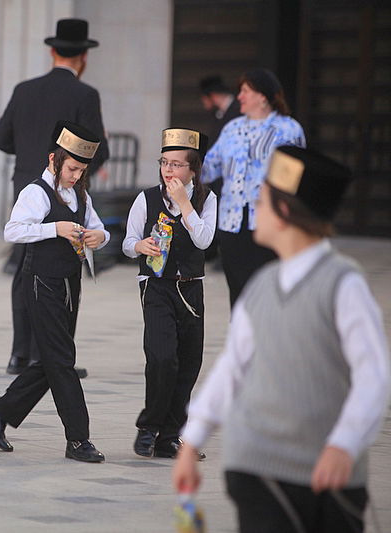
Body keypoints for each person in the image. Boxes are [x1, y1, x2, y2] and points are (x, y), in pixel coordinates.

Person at [173, 146, 390, 533]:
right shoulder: (262, 285)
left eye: (261, 200)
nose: (253, 207)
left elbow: (373, 376)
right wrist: (191, 442)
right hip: (256, 471)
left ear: (286, 212)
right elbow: (231, 370)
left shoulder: (344, 283)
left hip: (327, 476)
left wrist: (344, 443)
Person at [0, 121, 108, 463]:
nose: (76, 176)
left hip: (69, 283)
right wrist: (56, 228)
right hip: (40, 283)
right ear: (54, 160)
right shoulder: (36, 192)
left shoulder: (80, 193)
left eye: (81, 170)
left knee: (53, 358)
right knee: (63, 361)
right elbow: (13, 231)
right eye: (72, 169)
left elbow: (97, 227)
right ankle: (78, 439)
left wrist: (99, 237)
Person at [0, 18, 109, 376]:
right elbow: (95, 149)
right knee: (59, 269)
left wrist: (29, 156)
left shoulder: (25, 89)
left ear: (52, 51)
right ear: (83, 57)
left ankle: (19, 355)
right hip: (65, 189)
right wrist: (75, 171)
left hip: (27, 181)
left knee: (25, 265)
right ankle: (54, 357)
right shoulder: (85, 95)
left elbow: (0, 138)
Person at [122, 128, 216, 459]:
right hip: (156, 286)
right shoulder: (146, 198)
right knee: (162, 357)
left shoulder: (207, 199)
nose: (168, 170)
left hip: (190, 289)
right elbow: (127, 242)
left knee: (188, 363)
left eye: (177, 164)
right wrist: (139, 245)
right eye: (164, 162)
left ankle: (170, 436)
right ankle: (149, 427)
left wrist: (184, 205)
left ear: (193, 169)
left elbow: (204, 240)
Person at [201, 68, 305, 307]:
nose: (239, 97)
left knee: (266, 295)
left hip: (269, 224)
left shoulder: (289, 130)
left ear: (263, 96)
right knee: (237, 294)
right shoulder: (232, 129)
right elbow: (209, 167)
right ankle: (242, 342)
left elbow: (294, 181)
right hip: (231, 224)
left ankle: (266, 342)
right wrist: (181, 164)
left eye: (245, 91)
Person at [198, 75, 241, 147]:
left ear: (212, 95)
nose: (202, 101)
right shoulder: (217, 113)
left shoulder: (239, 110)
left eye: (203, 97)